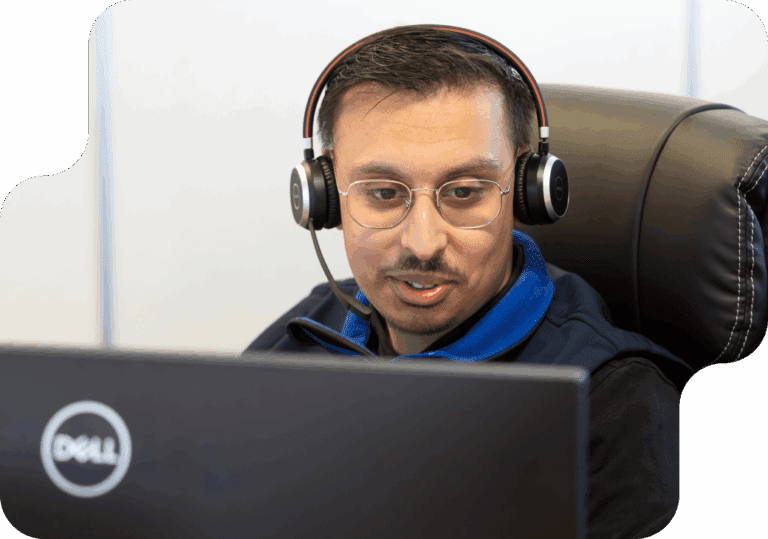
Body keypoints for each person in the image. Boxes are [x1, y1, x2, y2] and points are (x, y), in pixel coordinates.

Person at [245, 25, 695, 539]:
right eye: (384, 194)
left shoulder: (613, 406)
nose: (422, 242)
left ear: (527, 192)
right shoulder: (306, 334)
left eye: (463, 192)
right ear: (324, 200)